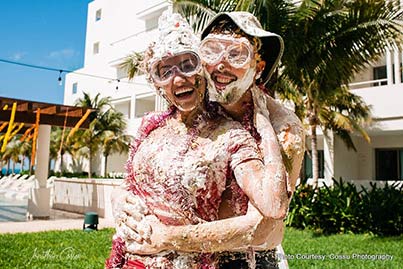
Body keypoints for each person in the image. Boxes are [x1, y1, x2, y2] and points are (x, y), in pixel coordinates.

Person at [106, 12, 288, 269]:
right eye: (164, 70)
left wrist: (265, 124)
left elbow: (272, 205)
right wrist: (118, 198)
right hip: (127, 259)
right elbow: (131, 183)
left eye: (187, 64)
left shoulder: (230, 134)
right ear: (157, 84)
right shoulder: (150, 125)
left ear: (202, 68)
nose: (178, 79)